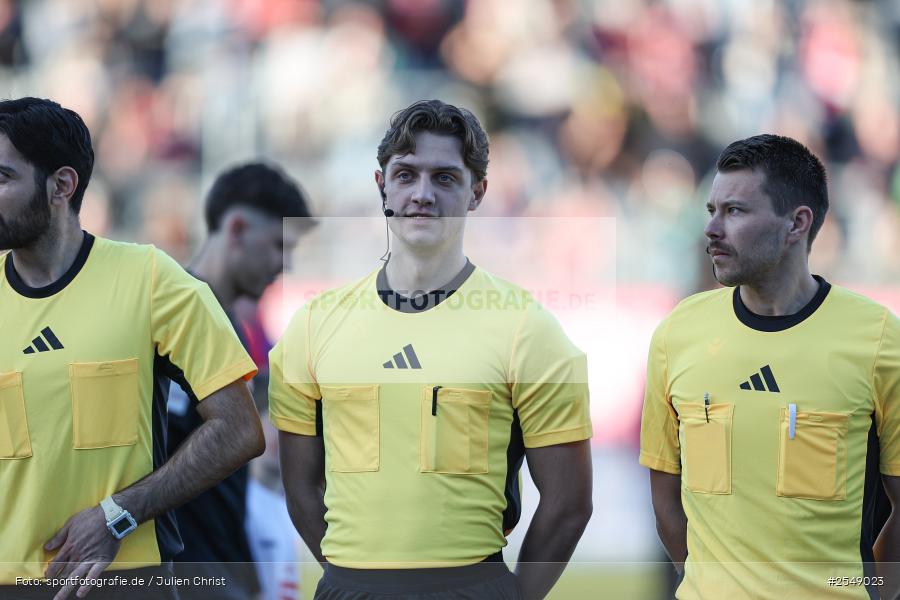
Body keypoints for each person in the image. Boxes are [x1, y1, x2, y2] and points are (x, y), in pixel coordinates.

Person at [268, 99, 594, 600]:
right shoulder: (313, 326)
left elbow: (570, 501)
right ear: (382, 187)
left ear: (476, 192)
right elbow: (300, 490)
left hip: (471, 586)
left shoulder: (526, 328)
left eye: (444, 178)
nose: (422, 194)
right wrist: (349, 579)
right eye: (405, 175)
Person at [0, 97, 264, 600]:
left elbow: (239, 429)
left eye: (1, 177)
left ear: (62, 185)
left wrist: (119, 514)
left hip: (124, 584)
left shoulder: (150, 278)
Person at [640, 134, 900, 599]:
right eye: (711, 210)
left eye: (735, 211)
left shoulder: (877, 338)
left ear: (797, 224)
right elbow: (664, 495)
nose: (712, 229)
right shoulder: (677, 334)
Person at [166, 162, 314, 599]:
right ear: (236, 228)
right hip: (188, 569)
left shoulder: (224, 321)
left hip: (217, 560)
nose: (283, 264)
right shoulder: (177, 315)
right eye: (278, 246)